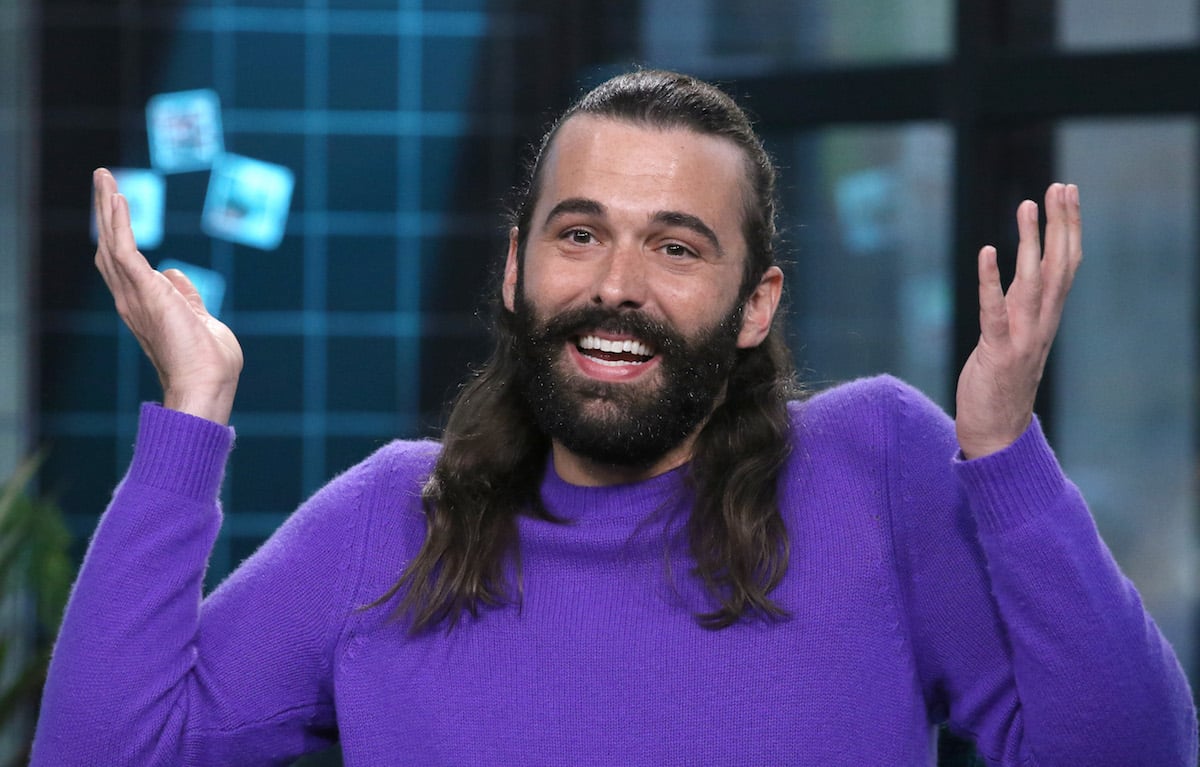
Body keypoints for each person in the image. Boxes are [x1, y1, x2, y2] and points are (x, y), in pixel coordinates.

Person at [32, 69, 1196, 765]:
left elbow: (1133, 751)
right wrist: (192, 415)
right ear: (515, 267)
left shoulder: (877, 464)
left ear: (756, 303)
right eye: (579, 232)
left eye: (677, 247)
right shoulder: (394, 516)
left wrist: (1002, 454)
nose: (616, 285)